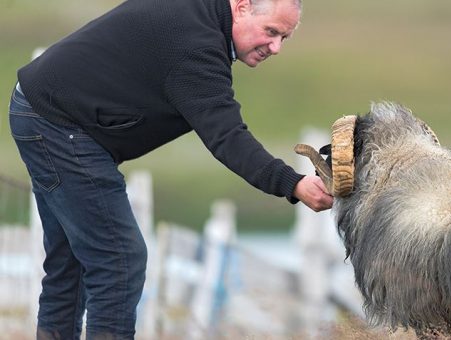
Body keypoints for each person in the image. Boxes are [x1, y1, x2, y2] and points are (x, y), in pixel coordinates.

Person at [8, 0, 332, 338]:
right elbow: (228, 139)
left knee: (72, 262)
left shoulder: (201, 21)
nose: (276, 47)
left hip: (43, 110)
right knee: (119, 260)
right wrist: (293, 184)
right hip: (58, 124)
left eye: (285, 38)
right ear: (241, 8)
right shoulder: (197, 46)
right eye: (271, 31)